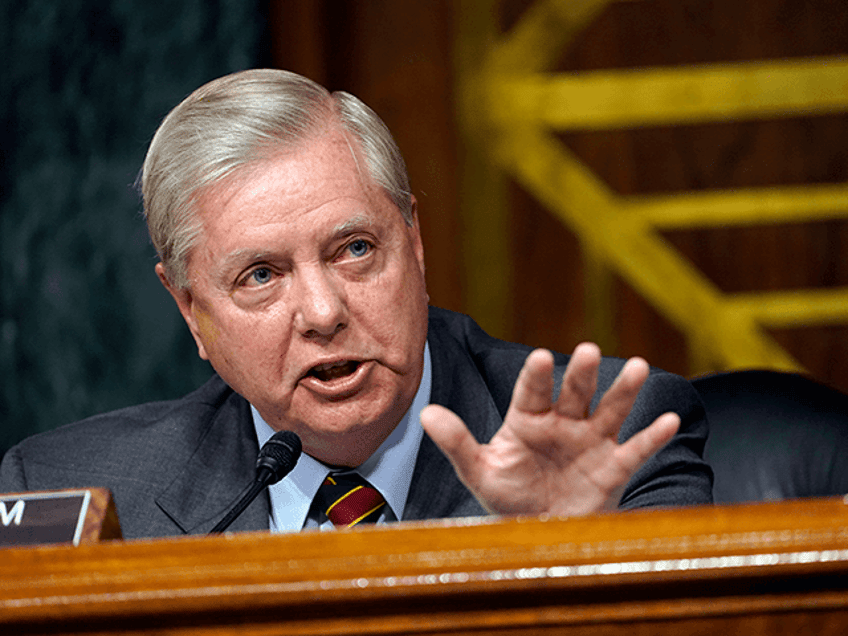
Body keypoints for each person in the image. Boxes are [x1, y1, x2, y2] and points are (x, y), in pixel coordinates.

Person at [0, 69, 711, 538]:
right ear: (190, 310)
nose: (320, 311)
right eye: (259, 276)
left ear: (416, 246)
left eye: (355, 250)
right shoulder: (69, 496)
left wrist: (556, 562)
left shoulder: (613, 446)